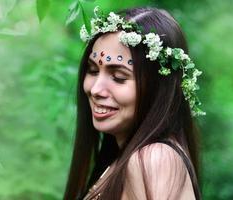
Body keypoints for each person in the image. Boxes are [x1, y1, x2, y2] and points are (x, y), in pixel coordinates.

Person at [64, 6, 204, 200]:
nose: (95, 89)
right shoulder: (124, 159)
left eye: (119, 77)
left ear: (158, 86)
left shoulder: (155, 159)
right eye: (93, 71)